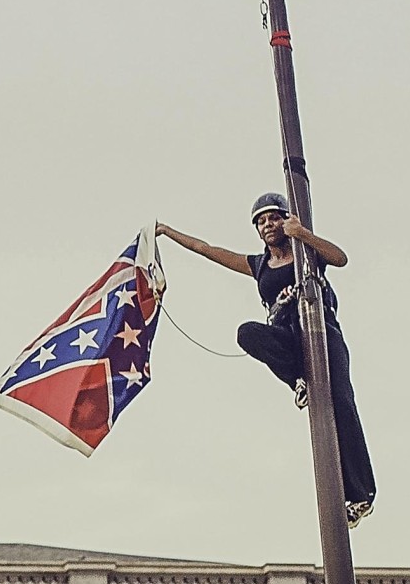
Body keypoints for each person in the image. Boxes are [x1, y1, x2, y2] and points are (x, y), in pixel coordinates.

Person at [156, 193, 376, 529]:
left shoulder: (306, 253)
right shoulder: (258, 264)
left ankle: (360, 495)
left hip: (322, 332)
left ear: (286, 220)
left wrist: (303, 234)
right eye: (261, 221)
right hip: (286, 334)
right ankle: (298, 381)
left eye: (273, 218)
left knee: (343, 406)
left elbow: (341, 258)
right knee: (247, 332)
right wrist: (168, 231)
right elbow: (207, 249)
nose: (267, 225)